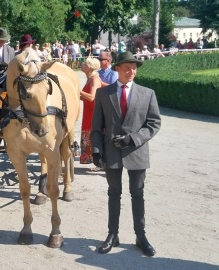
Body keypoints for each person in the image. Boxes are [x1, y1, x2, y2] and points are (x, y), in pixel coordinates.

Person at [91, 51, 161, 257]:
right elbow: (96, 127)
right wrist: (96, 149)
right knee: (114, 194)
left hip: (137, 152)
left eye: (134, 67)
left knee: (138, 194)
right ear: (117, 69)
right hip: (111, 153)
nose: (131, 71)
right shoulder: (105, 94)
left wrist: (133, 139)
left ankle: (141, 235)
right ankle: (113, 235)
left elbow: (154, 123)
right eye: (127, 68)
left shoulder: (147, 94)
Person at [79, 57, 106, 169]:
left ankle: (101, 163)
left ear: (90, 67)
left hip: (94, 114)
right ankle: (99, 162)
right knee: (90, 136)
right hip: (88, 112)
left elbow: (91, 97)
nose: (82, 64)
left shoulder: (95, 79)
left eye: (84, 63)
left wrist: (77, 90)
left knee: (94, 136)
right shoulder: (90, 78)